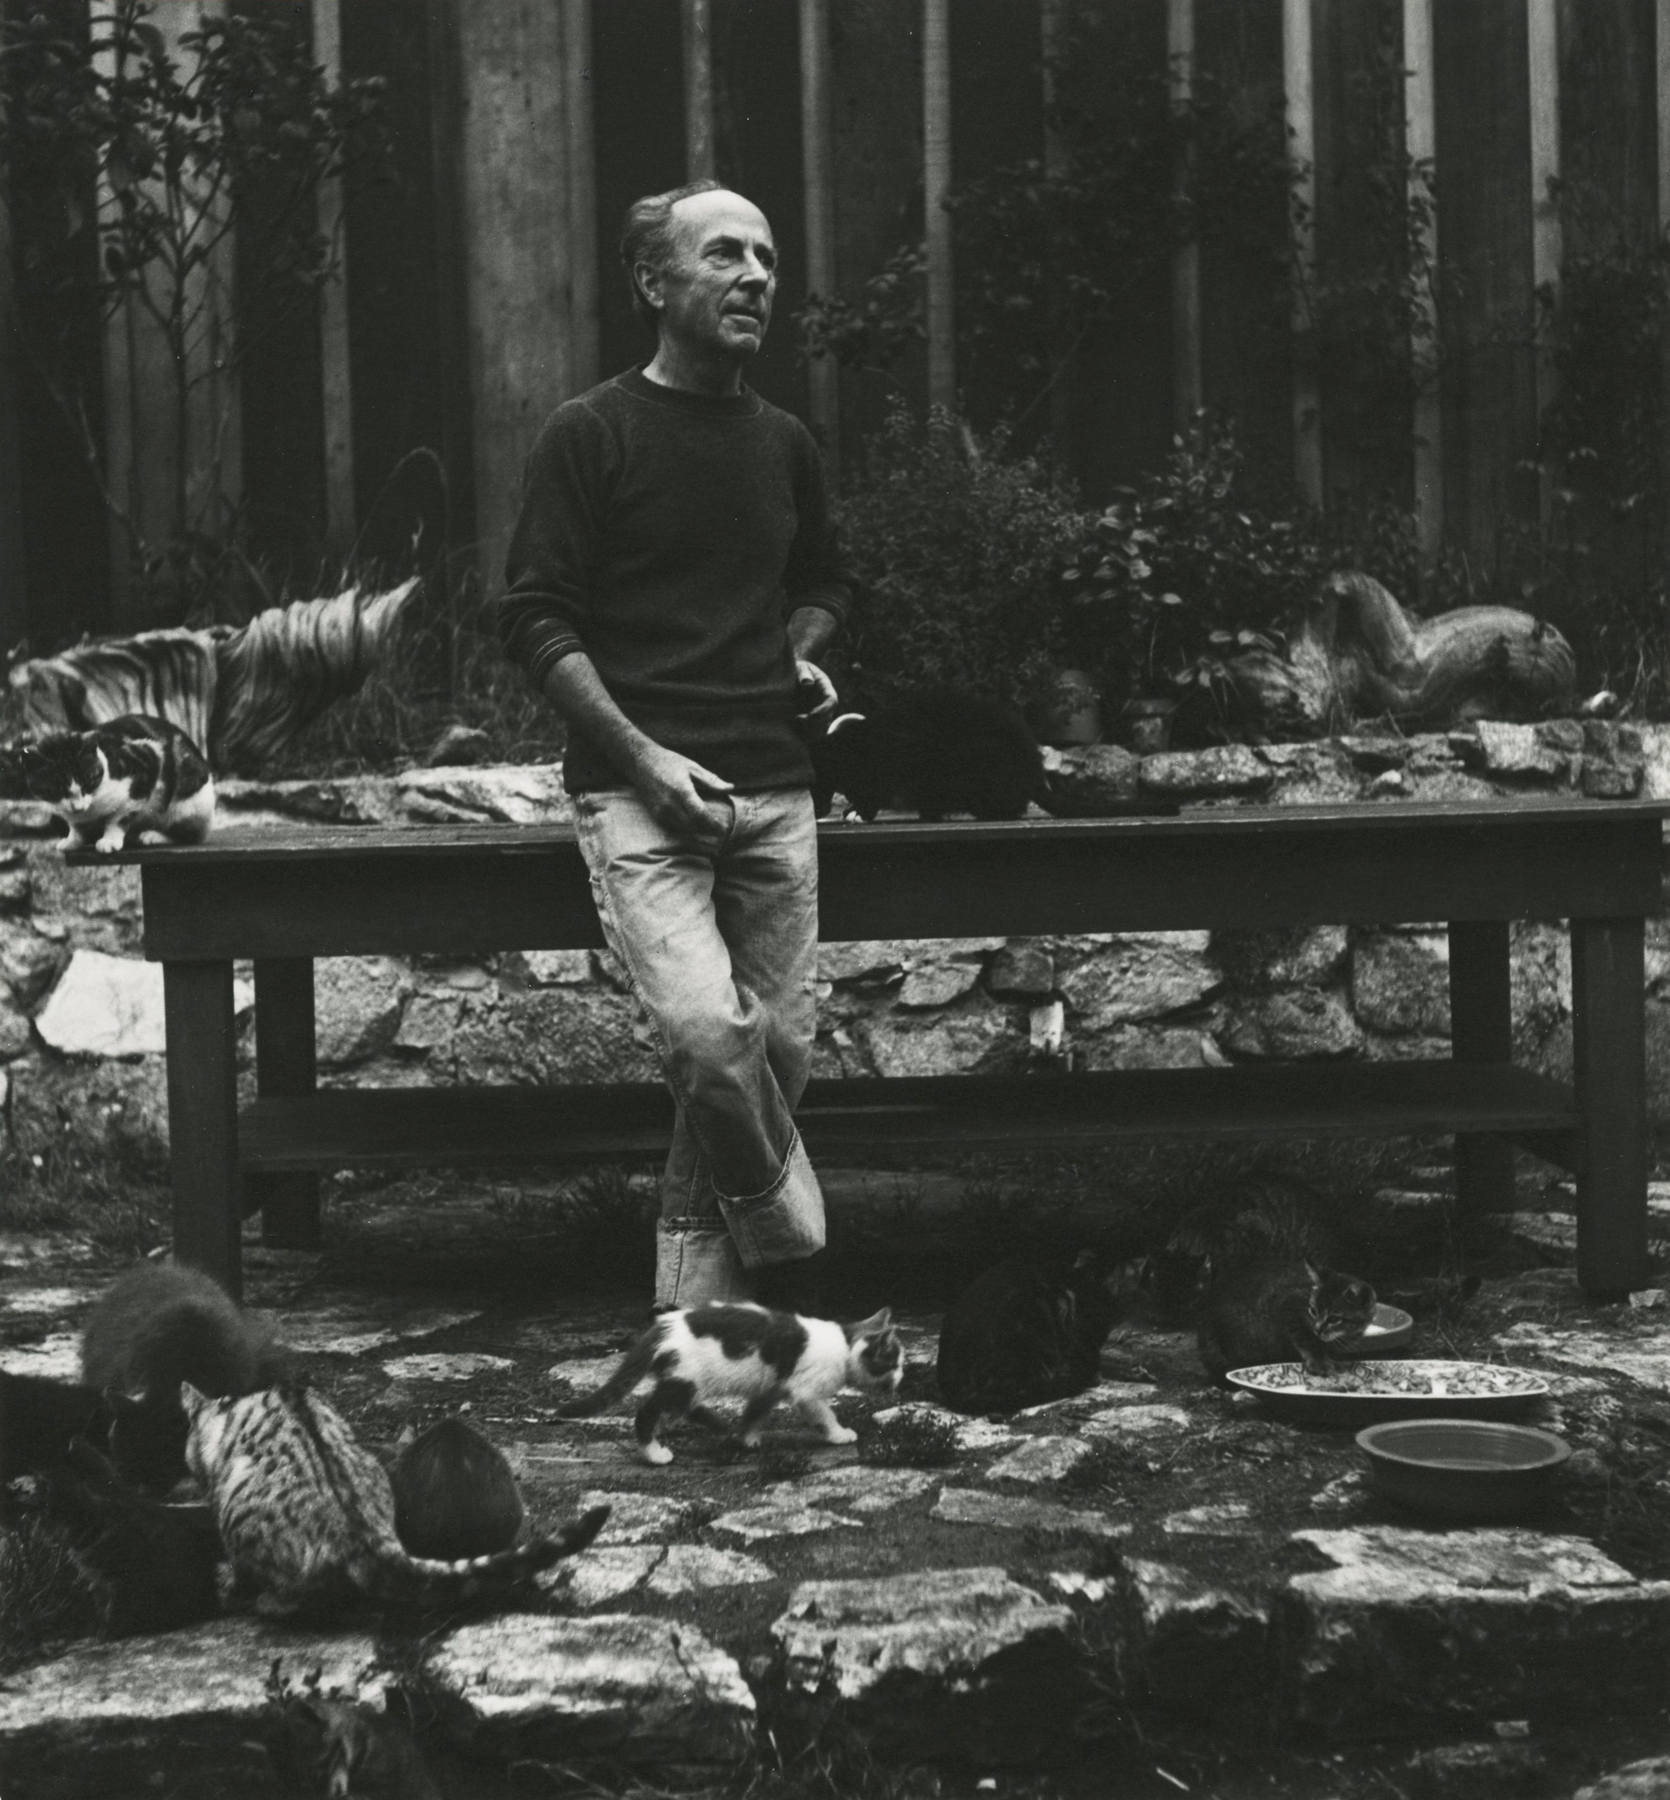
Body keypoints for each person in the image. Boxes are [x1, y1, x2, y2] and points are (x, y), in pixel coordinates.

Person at [492, 179, 848, 1314]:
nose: (755, 277)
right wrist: (645, 762)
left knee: (776, 1050)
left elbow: (826, 582)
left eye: (767, 258)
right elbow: (533, 619)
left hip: (776, 784)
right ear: (654, 282)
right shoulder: (588, 433)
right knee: (707, 1040)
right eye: (724, 255)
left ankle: (693, 1311)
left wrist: (797, 646)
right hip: (638, 796)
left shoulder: (784, 442)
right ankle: (793, 1243)